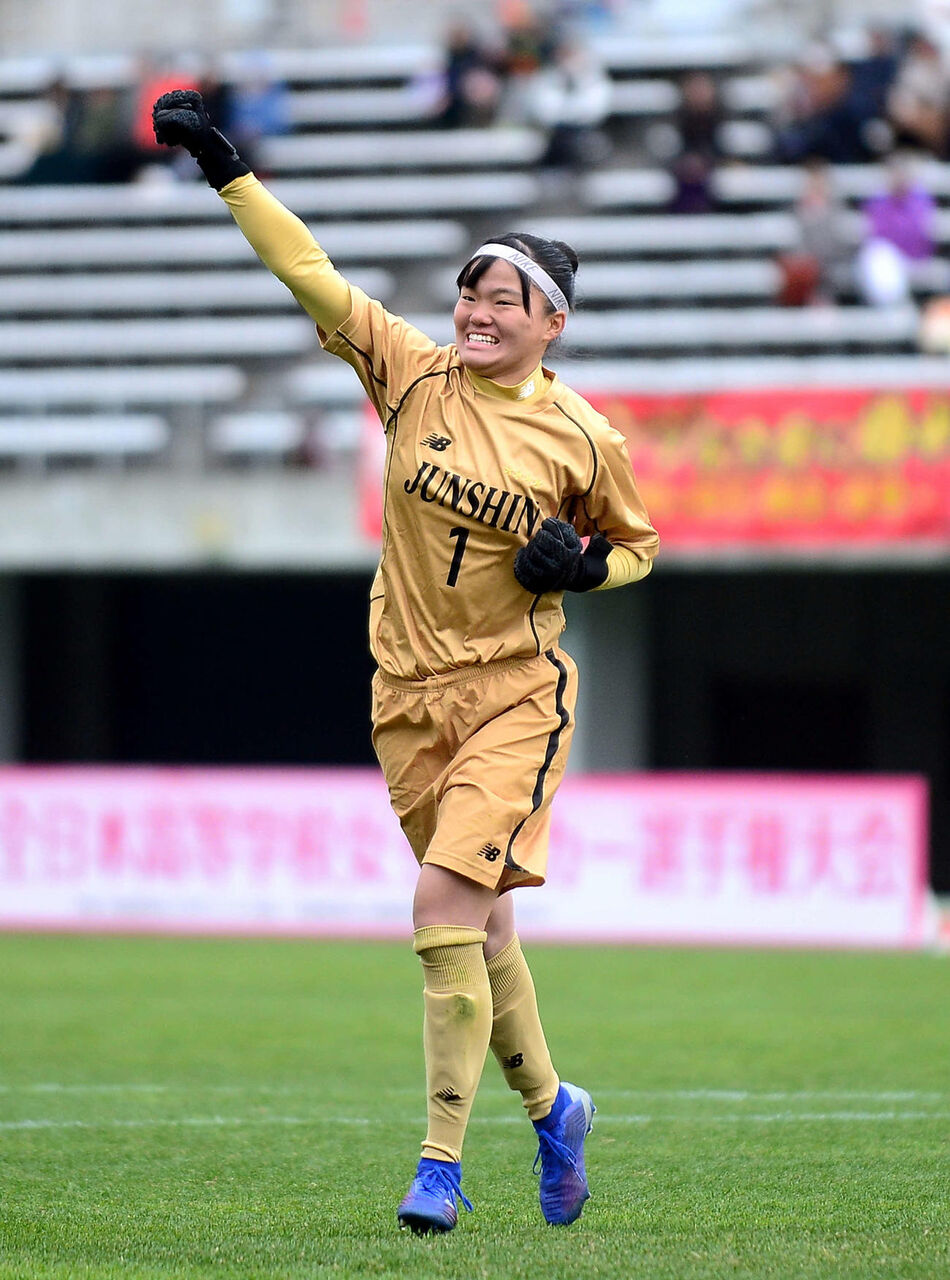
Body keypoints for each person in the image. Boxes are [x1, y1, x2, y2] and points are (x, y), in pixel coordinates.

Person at [153, 88, 658, 1236]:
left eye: (507, 297)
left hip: (515, 692)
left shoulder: (581, 436)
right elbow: (312, 274)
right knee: (483, 930)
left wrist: (582, 571)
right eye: (472, 290)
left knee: (438, 907)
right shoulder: (412, 372)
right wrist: (227, 169)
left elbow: (638, 547)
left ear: (552, 323)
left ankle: (438, 1162)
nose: (479, 310)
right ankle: (554, 1107)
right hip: (403, 695)